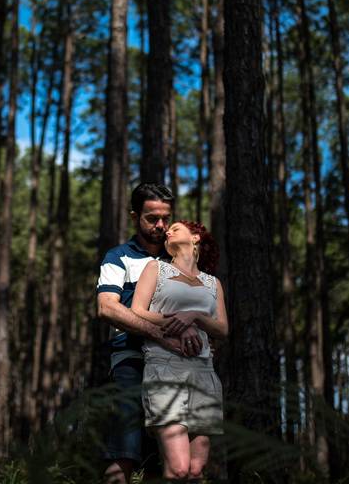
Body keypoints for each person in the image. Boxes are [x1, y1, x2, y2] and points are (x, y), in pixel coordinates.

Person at [96, 183, 202, 484]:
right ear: (134, 217)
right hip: (130, 360)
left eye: (166, 218)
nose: (160, 225)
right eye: (151, 218)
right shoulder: (119, 257)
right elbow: (106, 308)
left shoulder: (181, 261)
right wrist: (158, 333)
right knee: (123, 449)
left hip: (177, 366)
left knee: (173, 458)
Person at [131, 220, 228, 482]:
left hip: (203, 372)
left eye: (175, 227)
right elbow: (137, 311)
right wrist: (177, 326)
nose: (167, 231)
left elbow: (222, 329)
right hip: (165, 367)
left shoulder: (212, 283)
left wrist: (194, 316)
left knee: (195, 471)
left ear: (196, 237)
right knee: (179, 469)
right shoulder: (157, 269)